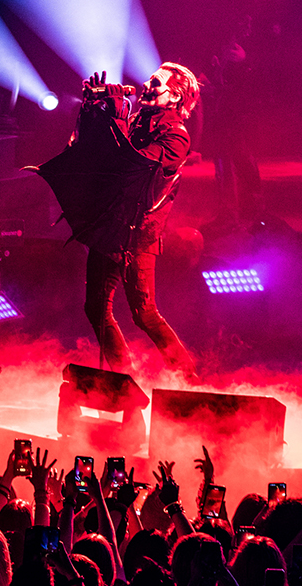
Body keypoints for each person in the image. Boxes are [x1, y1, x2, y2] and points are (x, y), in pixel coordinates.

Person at [34, 63, 200, 376]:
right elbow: (89, 154)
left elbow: (130, 166)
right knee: (96, 308)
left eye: (156, 83)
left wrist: (118, 116)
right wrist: (92, 110)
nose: (147, 86)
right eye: (149, 80)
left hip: (137, 236)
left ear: (175, 97)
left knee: (144, 314)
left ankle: (189, 379)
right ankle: (124, 380)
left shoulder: (176, 137)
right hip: (110, 228)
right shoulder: (135, 121)